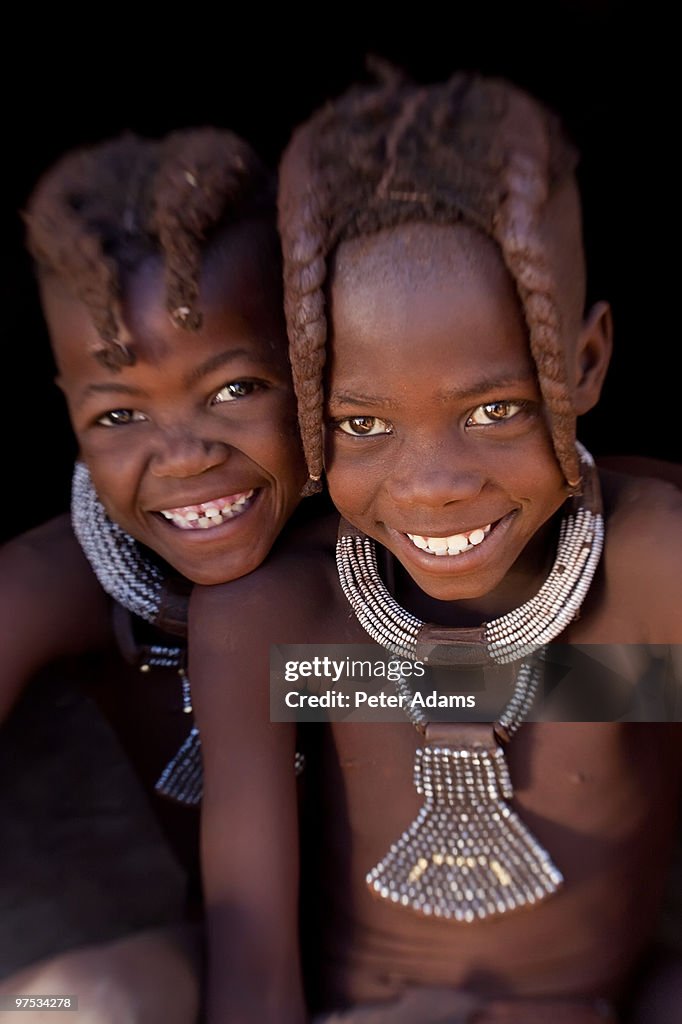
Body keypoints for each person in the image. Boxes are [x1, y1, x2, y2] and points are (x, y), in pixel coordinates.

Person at [189, 65, 682, 1022]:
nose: (432, 486)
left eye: (494, 409)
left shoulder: (654, 577)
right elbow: (251, 973)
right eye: (364, 426)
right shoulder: (276, 623)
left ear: (585, 364)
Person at [0, 125, 309, 1021]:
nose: (181, 456)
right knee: (62, 1008)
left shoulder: (426, 539)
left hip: (443, 979)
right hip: (213, 972)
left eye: (236, 390)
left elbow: (620, 684)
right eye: (119, 413)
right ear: (67, 408)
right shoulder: (56, 583)